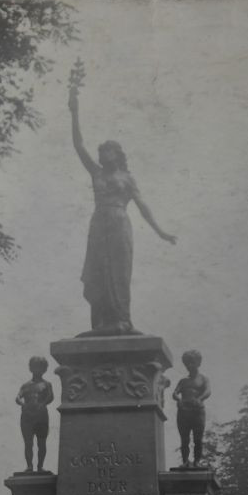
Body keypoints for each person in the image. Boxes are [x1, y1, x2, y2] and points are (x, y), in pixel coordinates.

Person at [69, 79, 176, 336]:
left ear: (117, 154)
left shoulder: (127, 179)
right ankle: (102, 324)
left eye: (107, 151)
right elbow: (78, 145)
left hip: (119, 223)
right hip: (99, 223)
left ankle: (122, 320)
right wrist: (74, 111)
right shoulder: (95, 172)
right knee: (97, 271)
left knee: (118, 271)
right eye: (101, 152)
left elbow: (142, 206)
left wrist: (160, 231)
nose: (102, 155)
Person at [171, 349, 211, 468]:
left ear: (198, 363)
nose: (190, 365)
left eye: (192, 362)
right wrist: (178, 399)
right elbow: (175, 393)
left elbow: (208, 391)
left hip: (197, 411)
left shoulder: (203, 379)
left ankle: (197, 461)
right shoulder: (183, 381)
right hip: (184, 411)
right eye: (187, 363)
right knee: (184, 439)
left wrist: (200, 399)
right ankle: (185, 461)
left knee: (198, 438)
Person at [15, 356, 54, 472]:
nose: (37, 370)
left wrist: (42, 404)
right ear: (30, 368)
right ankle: (29, 466)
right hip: (27, 416)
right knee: (28, 442)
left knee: (41, 442)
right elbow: (18, 397)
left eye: (40, 367)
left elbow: (51, 397)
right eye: (35, 366)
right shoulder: (25, 385)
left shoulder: (47, 384)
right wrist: (22, 403)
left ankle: (40, 466)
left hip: (41, 416)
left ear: (44, 369)